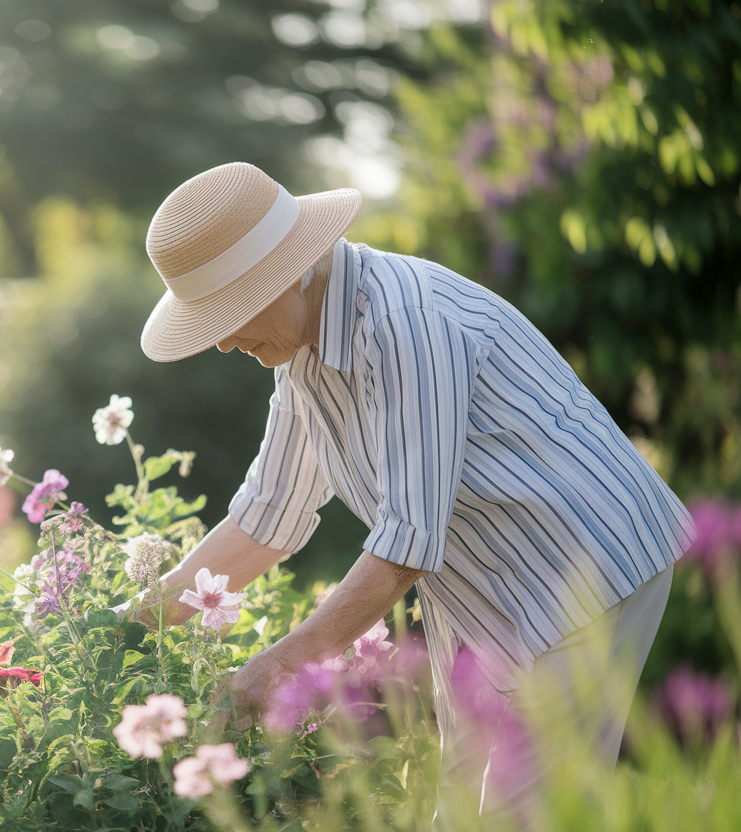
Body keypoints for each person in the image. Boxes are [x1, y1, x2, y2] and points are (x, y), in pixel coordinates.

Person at [131, 161, 694, 826]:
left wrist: (279, 665)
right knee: (458, 813)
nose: (223, 340)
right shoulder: (302, 351)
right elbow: (267, 516)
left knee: (525, 815)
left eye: (229, 314)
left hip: (585, 566)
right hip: (485, 584)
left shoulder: (405, 323)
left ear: (291, 272)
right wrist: (131, 626)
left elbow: (406, 545)